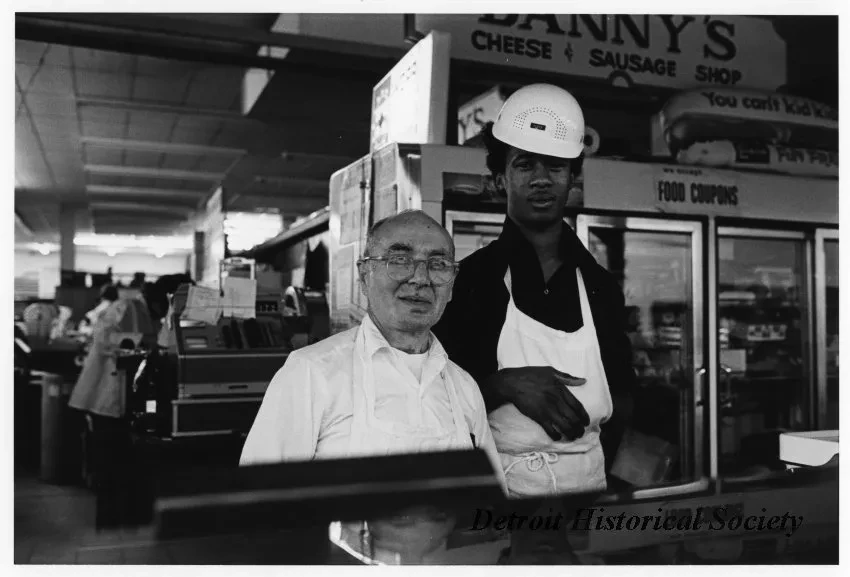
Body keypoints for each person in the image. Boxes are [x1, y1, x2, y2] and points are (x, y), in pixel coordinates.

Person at [241, 210, 505, 562]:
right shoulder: (312, 372)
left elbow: (488, 511)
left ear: (452, 284)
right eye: (400, 260)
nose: (420, 278)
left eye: (438, 264)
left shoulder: (463, 387)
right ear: (364, 275)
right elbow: (258, 511)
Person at [433, 84, 635, 501]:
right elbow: (435, 400)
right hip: (501, 500)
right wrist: (503, 385)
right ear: (499, 179)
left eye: (556, 166)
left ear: (572, 178)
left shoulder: (599, 285)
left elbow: (625, 396)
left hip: (591, 499)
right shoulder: (470, 280)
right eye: (525, 165)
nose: (541, 179)